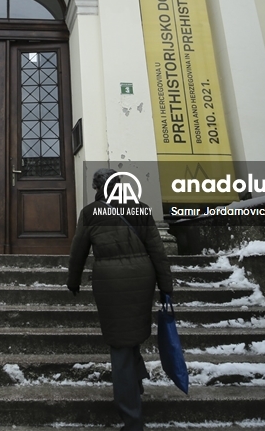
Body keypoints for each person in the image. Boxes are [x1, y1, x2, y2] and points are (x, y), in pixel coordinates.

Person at [67, 168, 173, 431]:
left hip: (110, 281)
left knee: (120, 345)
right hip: (142, 278)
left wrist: (73, 280)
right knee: (131, 336)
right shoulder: (141, 209)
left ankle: (132, 418)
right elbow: (157, 251)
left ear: (97, 188)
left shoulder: (90, 213)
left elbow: (79, 250)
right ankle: (136, 386)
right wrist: (166, 286)